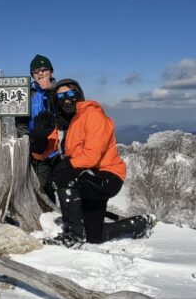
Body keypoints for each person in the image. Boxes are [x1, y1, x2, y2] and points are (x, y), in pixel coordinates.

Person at [31, 78, 155, 247]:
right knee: (94, 235)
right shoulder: (61, 124)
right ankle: (141, 222)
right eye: (60, 96)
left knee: (64, 176)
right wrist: (39, 138)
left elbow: (92, 156)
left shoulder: (93, 115)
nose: (66, 99)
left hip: (107, 176)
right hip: (86, 178)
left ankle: (74, 235)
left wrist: (66, 165)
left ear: (78, 94)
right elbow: (41, 155)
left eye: (70, 93)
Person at [15, 54, 57, 202]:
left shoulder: (61, 90)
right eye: (36, 71)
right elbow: (20, 121)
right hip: (38, 148)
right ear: (32, 75)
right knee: (41, 186)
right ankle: (47, 213)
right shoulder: (26, 94)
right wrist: (25, 137)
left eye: (44, 70)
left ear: (51, 71)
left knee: (65, 187)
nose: (40, 73)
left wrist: (51, 90)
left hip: (59, 148)